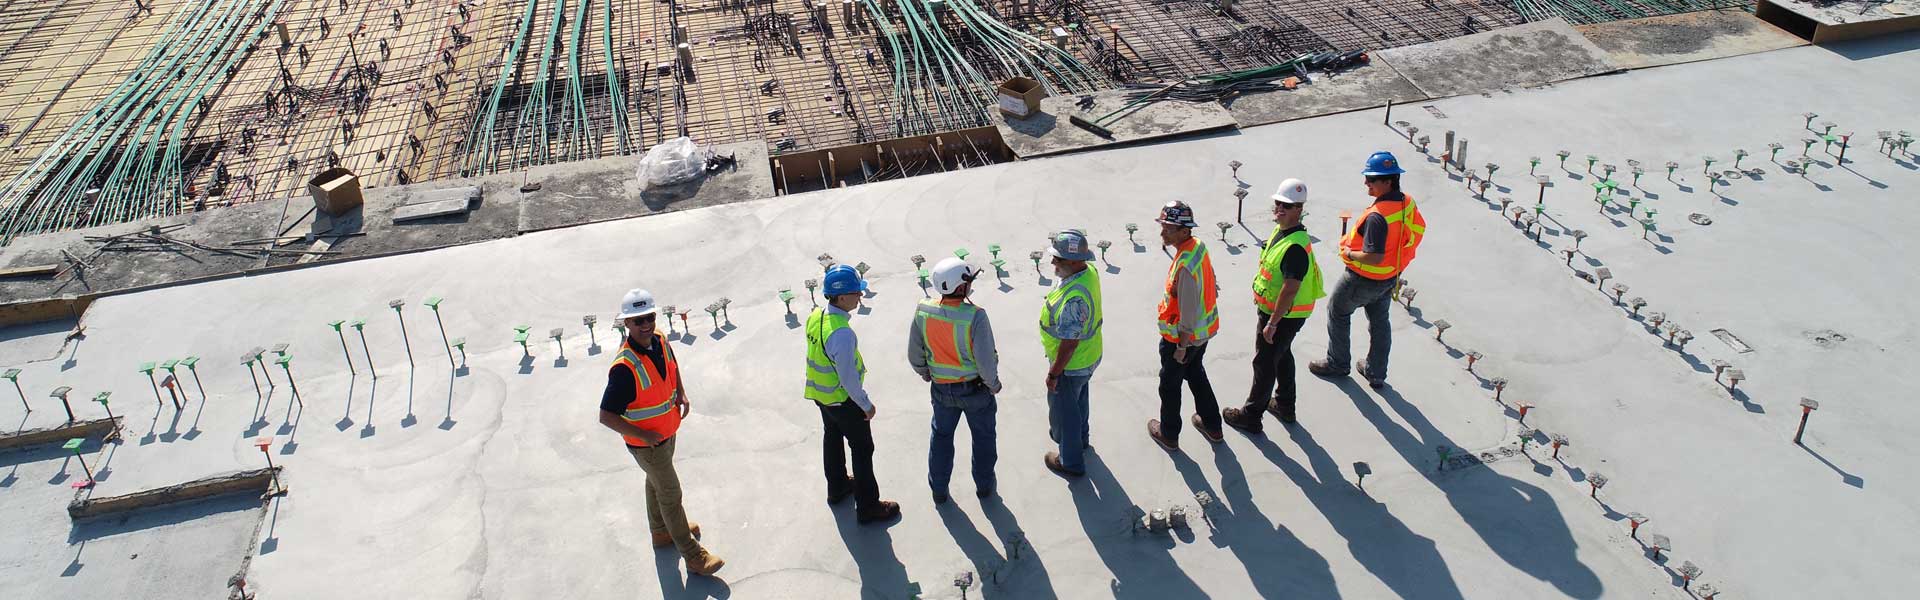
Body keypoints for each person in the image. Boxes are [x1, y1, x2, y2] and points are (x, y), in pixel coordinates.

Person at [597, 288, 724, 576]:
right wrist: (644, 437)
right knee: (671, 494)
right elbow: (606, 416)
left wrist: (681, 392)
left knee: (656, 483)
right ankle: (693, 556)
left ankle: (661, 532)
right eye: (638, 320)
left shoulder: (660, 340)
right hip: (648, 445)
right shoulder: (624, 368)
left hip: (667, 433)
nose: (646, 325)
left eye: (649, 318)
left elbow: (672, 366)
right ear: (626, 324)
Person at [1310, 151, 1427, 389]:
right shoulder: (1406, 202)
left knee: (1338, 312)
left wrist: (1349, 253)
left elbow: (1373, 256)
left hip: (1362, 279)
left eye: (1372, 179)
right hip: (1390, 276)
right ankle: (1376, 372)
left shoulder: (1377, 217)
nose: (1366, 183)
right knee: (1380, 321)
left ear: (1388, 181)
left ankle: (1338, 363)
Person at [1225, 179, 1325, 432]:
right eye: (1278, 204)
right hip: (1279, 313)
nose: (1280, 209)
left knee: (1264, 363)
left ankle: (1250, 416)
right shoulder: (1282, 232)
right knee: (1281, 356)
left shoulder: (1294, 247)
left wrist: (1272, 323)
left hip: (1282, 316)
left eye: (1287, 206)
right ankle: (1284, 404)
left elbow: (1290, 288)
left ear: (1299, 209)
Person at [804, 264, 901, 524]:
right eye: (857, 293)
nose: (861, 296)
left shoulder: (816, 316)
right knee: (862, 448)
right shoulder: (842, 333)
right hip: (842, 400)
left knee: (832, 438)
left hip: (820, 395)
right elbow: (848, 378)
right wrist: (866, 405)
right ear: (842, 297)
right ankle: (868, 506)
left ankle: (837, 488)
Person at [908, 257, 1002, 503]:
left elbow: (914, 353)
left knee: (940, 438)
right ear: (960, 288)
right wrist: (993, 384)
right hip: (975, 391)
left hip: (941, 390)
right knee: (983, 438)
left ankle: (939, 489)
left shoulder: (924, 310)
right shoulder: (975, 317)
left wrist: (925, 372)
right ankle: (984, 486)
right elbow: (985, 360)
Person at [1147, 201, 1223, 451]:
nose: (1163, 232)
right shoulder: (1197, 247)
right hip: (1202, 335)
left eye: (1168, 228)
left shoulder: (1186, 265)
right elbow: (1209, 276)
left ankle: (1169, 434)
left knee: (1169, 385)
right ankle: (1212, 425)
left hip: (1182, 339)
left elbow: (1188, 310)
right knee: (1196, 374)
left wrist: (1181, 346)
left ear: (1184, 231)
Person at [1039, 229, 1103, 477]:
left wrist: (1054, 374)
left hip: (1072, 364)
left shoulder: (1074, 299)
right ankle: (1081, 440)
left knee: (1065, 414)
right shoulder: (1088, 273)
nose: (1053, 262)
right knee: (1078, 402)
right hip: (1088, 357)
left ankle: (1070, 462)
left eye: (1059, 259)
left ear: (1076, 261)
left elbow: (1069, 343)